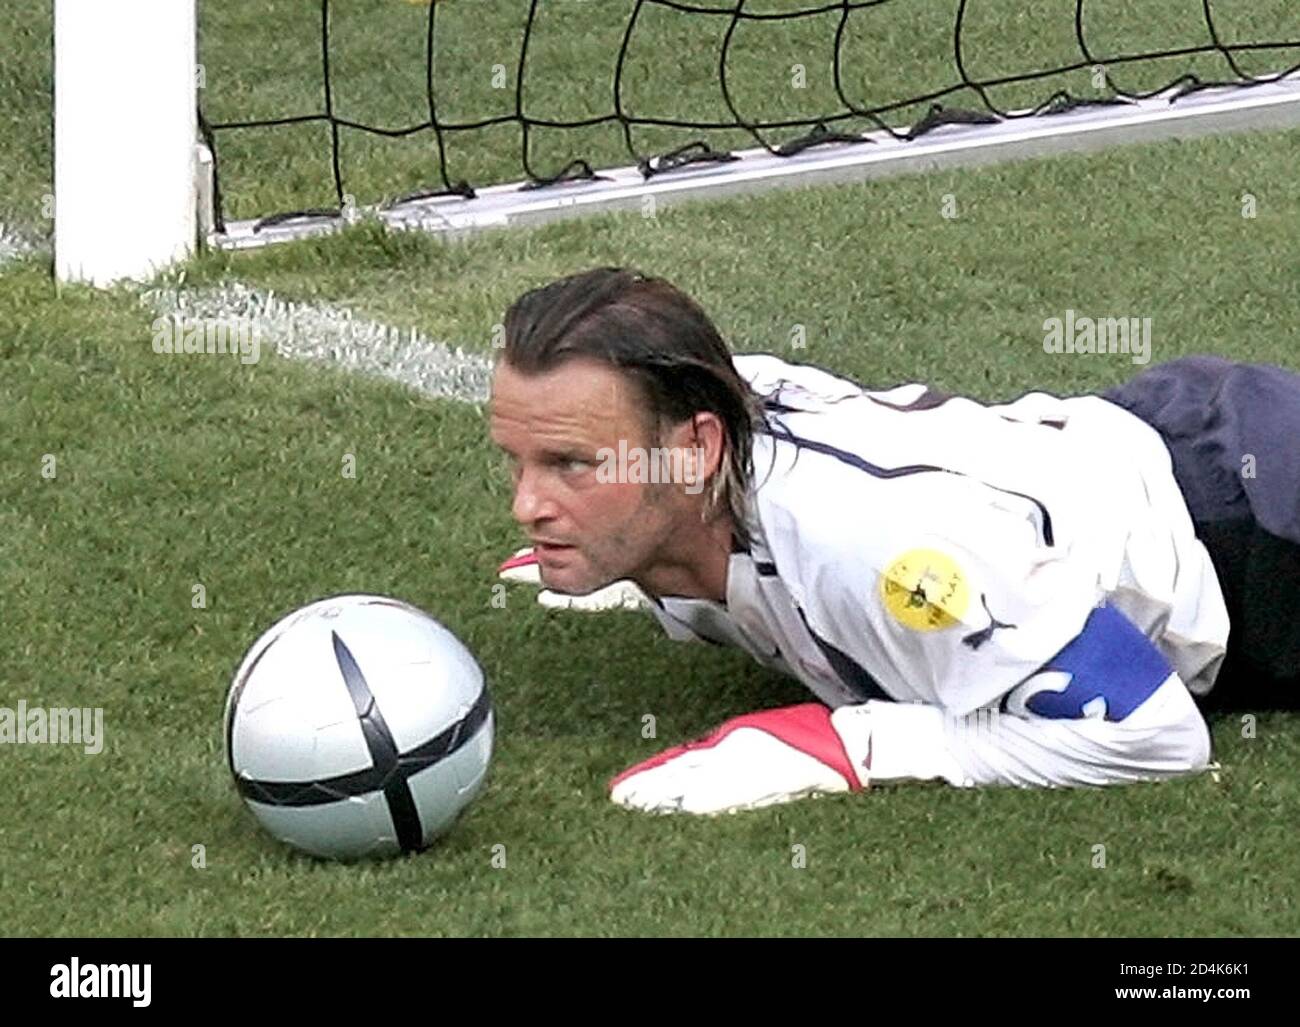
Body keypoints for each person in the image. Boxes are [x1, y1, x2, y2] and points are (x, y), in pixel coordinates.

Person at [489, 266, 1300, 815]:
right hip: (1161, 433)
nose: (529, 503)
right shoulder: (702, 437)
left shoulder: (870, 545)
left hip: (1262, 531)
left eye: (571, 465)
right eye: (519, 462)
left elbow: (1157, 734)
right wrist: (621, 548)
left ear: (696, 451)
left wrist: (858, 741)